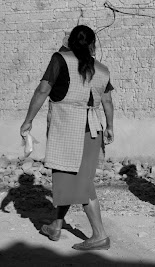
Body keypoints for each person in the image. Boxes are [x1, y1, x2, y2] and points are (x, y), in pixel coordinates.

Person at [20, 25, 114, 251]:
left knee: (79, 183)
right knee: (71, 179)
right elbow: (108, 101)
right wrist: (110, 126)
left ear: (70, 42)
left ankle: (100, 235)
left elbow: (43, 90)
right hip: (93, 130)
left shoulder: (60, 59)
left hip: (69, 130)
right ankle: (56, 225)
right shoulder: (101, 69)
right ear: (92, 44)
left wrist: (28, 120)